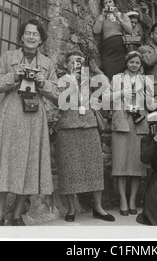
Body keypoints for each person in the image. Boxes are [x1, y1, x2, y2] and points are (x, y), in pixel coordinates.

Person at [0, 19, 59, 226]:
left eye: (36, 34)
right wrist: (13, 76)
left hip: (34, 119)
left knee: (29, 165)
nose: (31, 37)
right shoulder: (9, 57)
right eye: (28, 33)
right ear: (22, 37)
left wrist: (44, 83)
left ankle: (16, 215)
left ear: (41, 39)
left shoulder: (48, 64)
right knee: (4, 163)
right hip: (11, 115)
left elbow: (59, 94)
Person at [55, 51, 115, 223]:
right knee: (69, 169)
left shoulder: (90, 80)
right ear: (66, 64)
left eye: (80, 61)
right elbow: (59, 102)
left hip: (89, 125)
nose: (77, 64)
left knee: (95, 167)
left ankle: (98, 208)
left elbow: (106, 87)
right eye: (73, 61)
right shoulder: (61, 81)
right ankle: (71, 209)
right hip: (68, 127)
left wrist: (96, 70)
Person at [108, 51, 156, 216]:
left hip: (139, 123)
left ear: (140, 65)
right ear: (126, 63)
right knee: (120, 163)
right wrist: (121, 94)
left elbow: (153, 106)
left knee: (137, 165)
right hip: (122, 122)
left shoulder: (146, 80)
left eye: (137, 63)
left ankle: (132, 200)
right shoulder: (117, 79)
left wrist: (147, 98)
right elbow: (106, 99)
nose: (134, 65)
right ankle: (122, 199)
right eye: (131, 62)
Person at [93, 0, 133, 80]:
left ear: (114, 3)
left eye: (110, 2)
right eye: (105, 3)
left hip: (120, 46)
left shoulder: (123, 15)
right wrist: (102, 16)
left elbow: (130, 30)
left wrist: (119, 18)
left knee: (122, 72)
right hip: (108, 47)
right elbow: (96, 31)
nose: (108, 4)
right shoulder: (102, 17)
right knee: (109, 70)